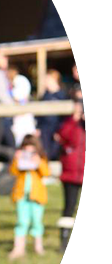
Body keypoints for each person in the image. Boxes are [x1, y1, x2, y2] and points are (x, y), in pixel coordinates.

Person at [8, 134, 50, 259]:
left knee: (37, 221)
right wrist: (16, 159)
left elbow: (46, 173)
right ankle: (18, 248)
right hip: (21, 195)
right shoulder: (19, 158)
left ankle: (38, 247)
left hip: (37, 196)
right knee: (22, 221)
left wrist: (39, 162)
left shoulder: (41, 158)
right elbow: (13, 171)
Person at [54, 100, 85, 252]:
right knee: (69, 207)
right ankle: (65, 241)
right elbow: (63, 136)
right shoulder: (70, 124)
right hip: (71, 173)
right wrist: (74, 119)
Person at [37, 69, 68, 160]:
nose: (45, 82)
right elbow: (39, 114)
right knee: (45, 153)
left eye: (48, 79)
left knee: (56, 153)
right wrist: (38, 127)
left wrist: (60, 130)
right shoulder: (44, 96)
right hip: (45, 130)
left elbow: (64, 117)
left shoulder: (62, 96)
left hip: (56, 129)